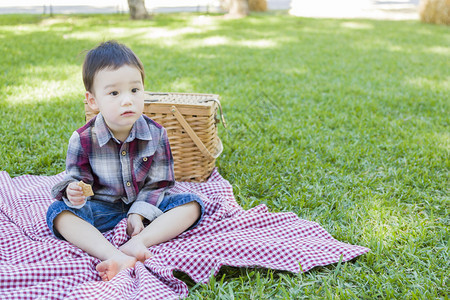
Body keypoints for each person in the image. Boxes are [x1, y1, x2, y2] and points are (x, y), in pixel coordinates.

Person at [46, 40, 204, 281]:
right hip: (102, 207)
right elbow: (77, 179)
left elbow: (159, 183)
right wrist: (73, 191)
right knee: (59, 212)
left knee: (192, 204)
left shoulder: (156, 133)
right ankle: (112, 254)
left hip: (145, 205)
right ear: (92, 101)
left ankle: (139, 242)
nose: (127, 100)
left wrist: (138, 214)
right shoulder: (83, 139)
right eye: (114, 93)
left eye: (134, 90)